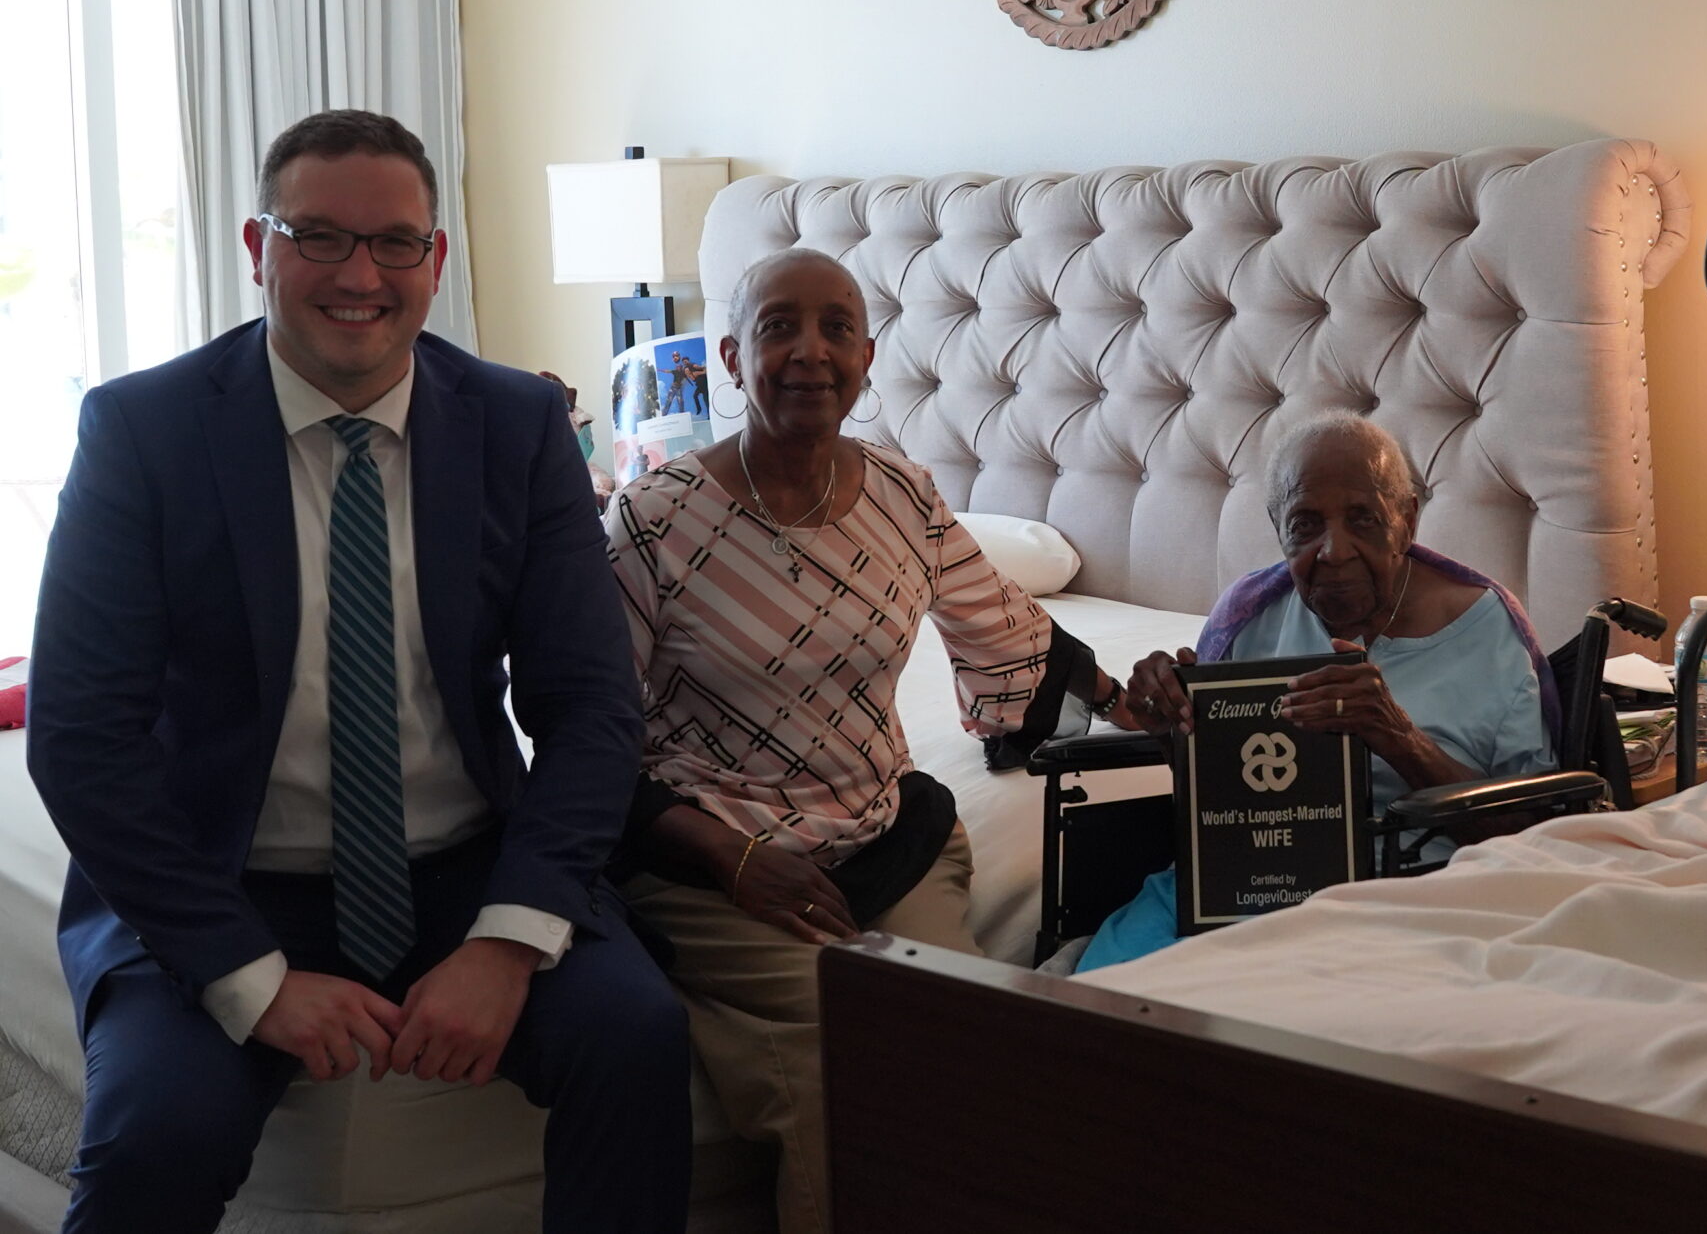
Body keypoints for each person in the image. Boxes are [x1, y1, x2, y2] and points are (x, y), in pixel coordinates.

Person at [28, 111, 691, 1234]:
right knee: (157, 1132)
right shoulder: (141, 431)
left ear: (435, 260)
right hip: (221, 876)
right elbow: (82, 739)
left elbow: (588, 712)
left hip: (464, 870)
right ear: (258, 248)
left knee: (637, 1037)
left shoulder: (518, 425)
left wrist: (507, 938)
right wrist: (253, 979)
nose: (360, 276)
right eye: (319, 238)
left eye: (395, 244)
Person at [605, 246, 1103, 1234]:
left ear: (868, 356)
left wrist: (1140, 700)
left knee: (976, 1045)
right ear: (733, 359)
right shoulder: (654, 522)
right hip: (715, 864)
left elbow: (1009, 627)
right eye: (778, 326)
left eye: (837, 327)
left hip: (888, 844)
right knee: (843, 1082)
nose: (810, 352)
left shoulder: (901, 495)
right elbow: (586, 735)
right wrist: (736, 857)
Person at [1079, 409, 1559, 972]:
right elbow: (1215, 801)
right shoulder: (1248, 615)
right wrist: (1170, 728)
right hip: (1249, 885)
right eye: (1305, 524)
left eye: (1363, 518)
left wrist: (1398, 736)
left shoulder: (1489, 631)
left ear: (1407, 521)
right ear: (1276, 524)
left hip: (1417, 890)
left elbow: (1535, 835)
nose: (1334, 550)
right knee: (1104, 1006)